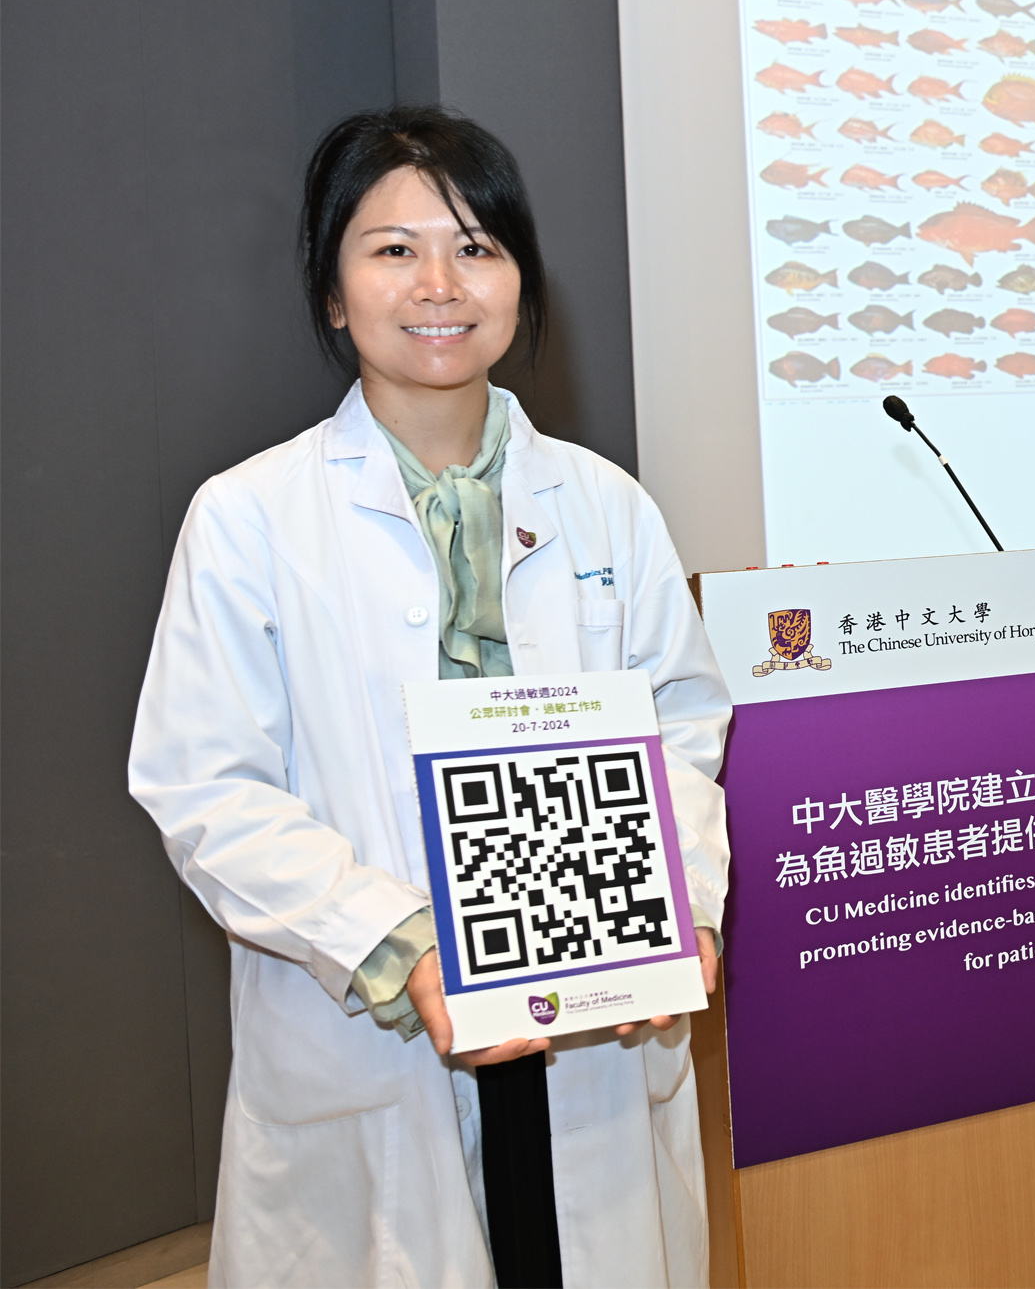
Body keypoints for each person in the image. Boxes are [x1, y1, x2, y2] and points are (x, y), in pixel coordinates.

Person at [127, 107, 730, 1288]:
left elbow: (682, 727)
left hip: (596, 1025)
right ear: (334, 291)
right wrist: (398, 947)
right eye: (393, 248)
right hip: (381, 1025)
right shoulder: (250, 516)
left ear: (519, 280)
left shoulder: (607, 504)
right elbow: (204, 785)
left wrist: (686, 908)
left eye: (477, 245)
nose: (440, 281)